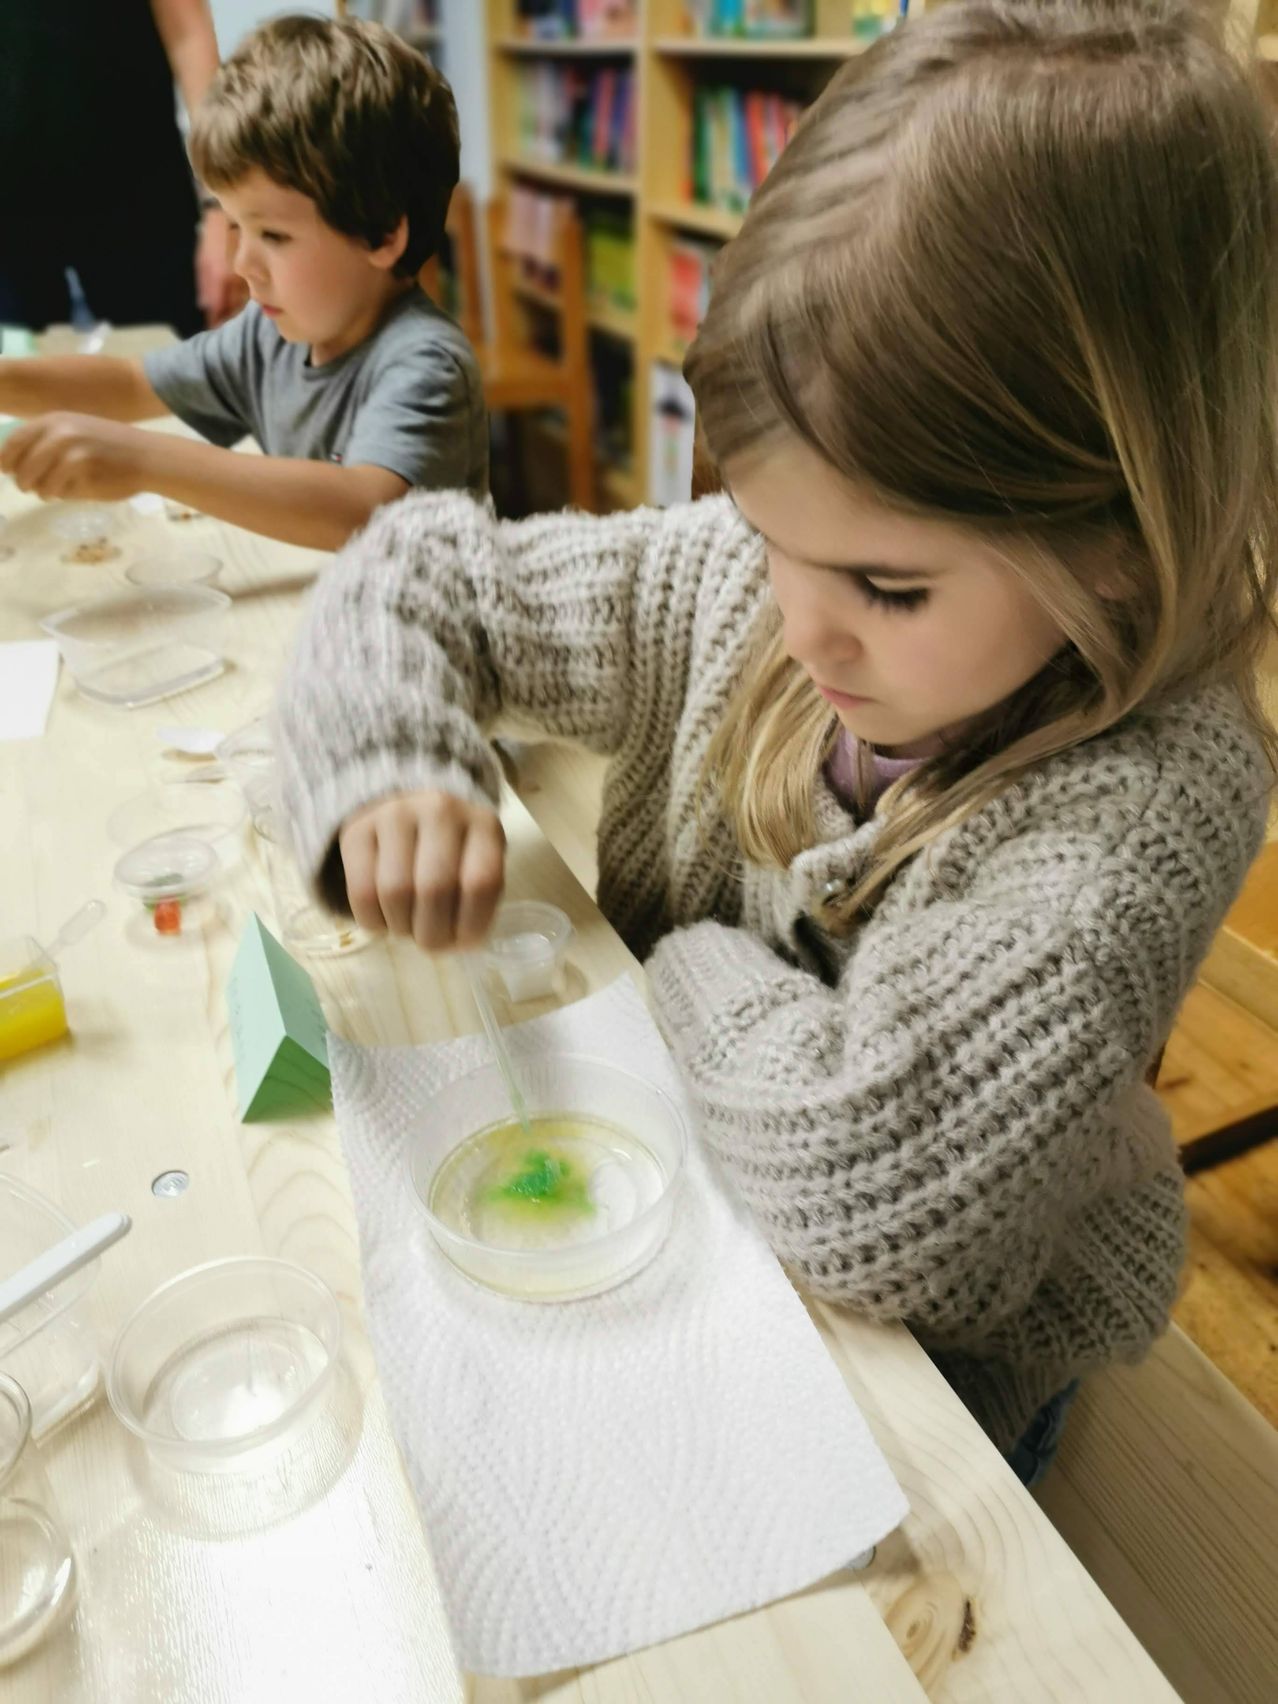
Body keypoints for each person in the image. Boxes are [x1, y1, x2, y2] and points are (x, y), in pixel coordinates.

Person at [270, 0, 1277, 1480]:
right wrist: (393, 761)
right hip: (684, 1203)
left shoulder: (1140, 809)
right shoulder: (755, 585)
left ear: (1126, 543)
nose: (799, 628)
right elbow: (408, 571)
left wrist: (679, 964)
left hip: (937, 1387)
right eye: (763, 525)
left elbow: (872, 1182)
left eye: (886, 585)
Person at [0, 15, 485, 552]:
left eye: (273, 235)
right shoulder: (267, 338)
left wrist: (142, 460)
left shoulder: (426, 362)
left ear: (383, 235)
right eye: (236, 226)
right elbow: (131, 384)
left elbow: (362, 510)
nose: (241, 263)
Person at [0, 0, 239, 337]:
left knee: (172, 380)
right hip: (11, 228)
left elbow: (188, 33)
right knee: (15, 385)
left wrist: (221, 205)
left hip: (141, 210)